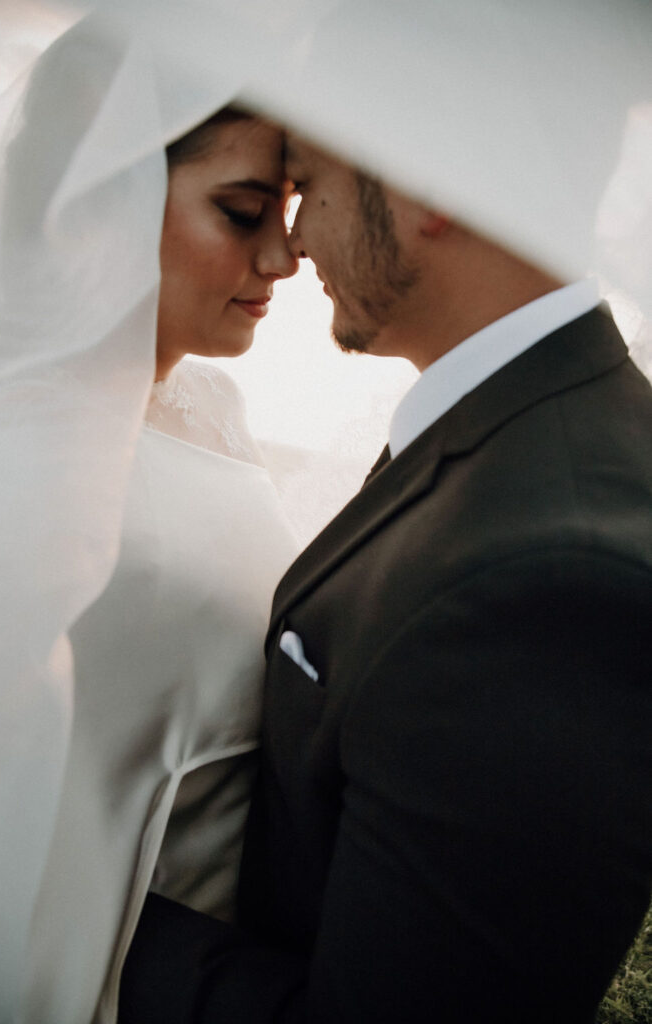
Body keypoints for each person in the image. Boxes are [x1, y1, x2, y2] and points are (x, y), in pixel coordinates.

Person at [118, 135, 652, 1022]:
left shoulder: (561, 573)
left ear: (423, 182)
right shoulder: (516, 427)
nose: (298, 246)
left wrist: (70, 922)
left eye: (311, 189)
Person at [0, 17, 301, 1023]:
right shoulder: (14, 460)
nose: (283, 256)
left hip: (221, 961)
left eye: (285, 207)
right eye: (242, 210)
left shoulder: (214, 407)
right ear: (94, 199)